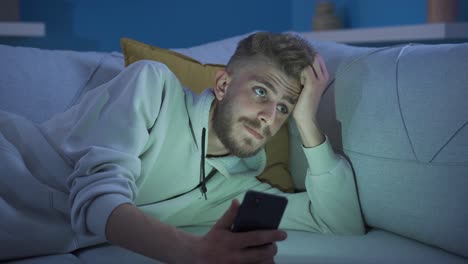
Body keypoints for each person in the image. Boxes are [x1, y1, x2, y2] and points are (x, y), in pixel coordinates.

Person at [0, 32, 364, 263]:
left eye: (283, 107)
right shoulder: (153, 86)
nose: (269, 115)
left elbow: (339, 221)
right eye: (260, 91)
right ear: (222, 85)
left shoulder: (240, 189)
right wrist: (193, 252)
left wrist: (307, 122)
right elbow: (95, 200)